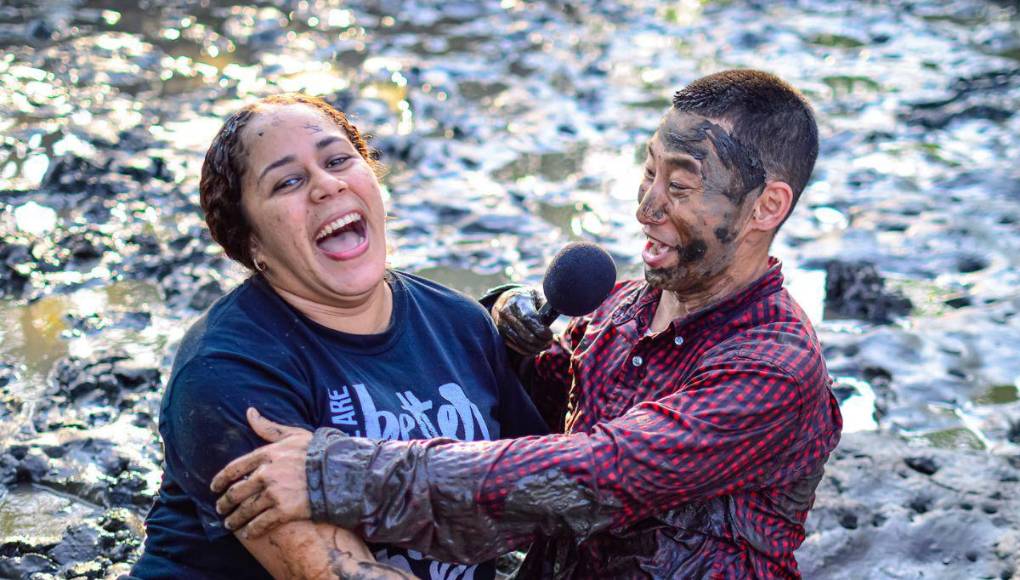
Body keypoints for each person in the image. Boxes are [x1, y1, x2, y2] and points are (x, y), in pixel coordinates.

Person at [211, 70, 844, 578]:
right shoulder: (623, 308)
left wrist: (340, 473)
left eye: (680, 186)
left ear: (767, 206)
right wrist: (497, 330)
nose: (645, 207)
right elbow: (527, 420)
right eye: (649, 170)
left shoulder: (773, 365)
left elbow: (595, 473)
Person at [130, 93, 548, 579]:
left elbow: (542, 493)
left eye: (337, 160)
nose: (326, 185)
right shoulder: (224, 373)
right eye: (288, 181)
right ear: (251, 244)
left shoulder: (462, 323)